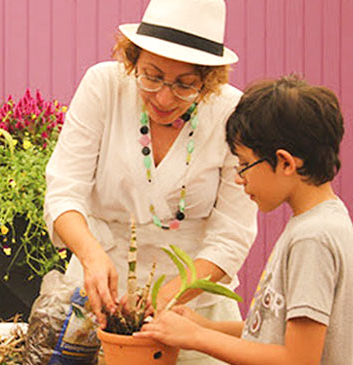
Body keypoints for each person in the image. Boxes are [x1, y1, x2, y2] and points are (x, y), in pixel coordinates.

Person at [44, 0, 257, 363]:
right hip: (98, 300)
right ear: (132, 59)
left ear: (208, 81)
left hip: (192, 315)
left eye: (185, 85)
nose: (163, 96)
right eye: (152, 75)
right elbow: (64, 192)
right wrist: (92, 257)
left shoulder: (231, 112)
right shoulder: (104, 86)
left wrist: (165, 299)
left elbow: (232, 233)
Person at [135, 75, 353, 364]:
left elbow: (298, 359)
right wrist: (205, 326)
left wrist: (197, 338)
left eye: (244, 164)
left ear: (286, 162)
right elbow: (274, 334)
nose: (238, 178)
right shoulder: (321, 222)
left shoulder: (312, 239)